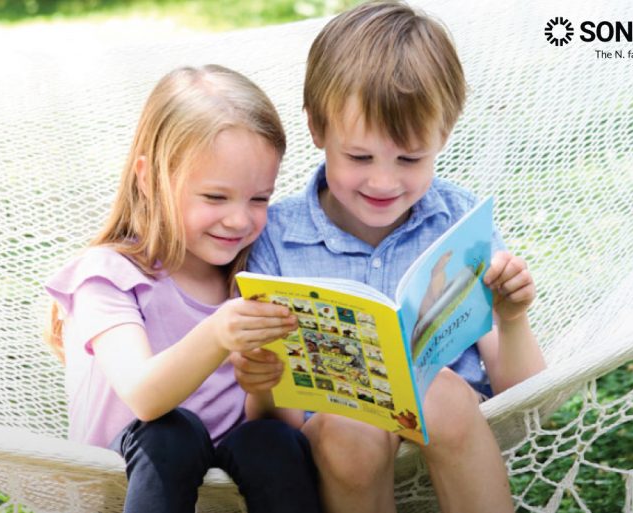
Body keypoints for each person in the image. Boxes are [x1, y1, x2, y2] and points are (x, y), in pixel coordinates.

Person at [231, 3, 546, 512]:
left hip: (456, 428)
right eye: (359, 157)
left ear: (444, 135)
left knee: (437, 389)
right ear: (317, 131)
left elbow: (527, 399)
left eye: (409, 158)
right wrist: (262, 378)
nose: (383, 181)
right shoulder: (276, 241)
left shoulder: (458, 223)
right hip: (338, 445)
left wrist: (510, 320)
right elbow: (276, 428)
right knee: (352, 425)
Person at [44, 65, 321, 513]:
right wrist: (216, 335)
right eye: (215, 197)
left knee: (271, 440)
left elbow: (283, 426)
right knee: (171, 432)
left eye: (259, 199)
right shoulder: (109, 275)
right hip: (122, 483)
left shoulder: (252, 280)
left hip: (229, 489)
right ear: (150, 180)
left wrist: (263, 383)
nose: (239, 219)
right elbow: (144, 395)